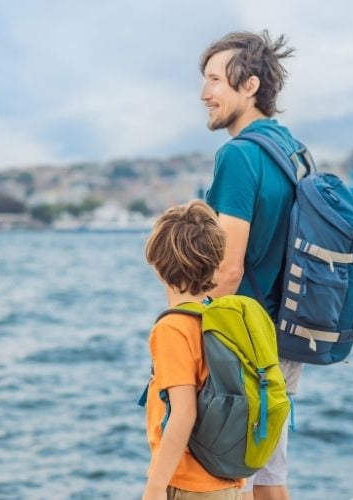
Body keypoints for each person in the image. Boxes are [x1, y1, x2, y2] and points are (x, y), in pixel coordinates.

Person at [199, 30, 303, 500]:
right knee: (269, 476)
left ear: (250, 86)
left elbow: (228, 269)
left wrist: (193, 328)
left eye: (216, 80)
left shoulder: (240, 156)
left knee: (229, 480)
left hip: (243, 340)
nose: (205, 93)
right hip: (287, 334)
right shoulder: (294, 152)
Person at [141, 200, 243, 500]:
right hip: (227, 480)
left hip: (189, 485)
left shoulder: (173, 329)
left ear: (159, 265)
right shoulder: (224, 319)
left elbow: (184, 412)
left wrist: (156, 486)